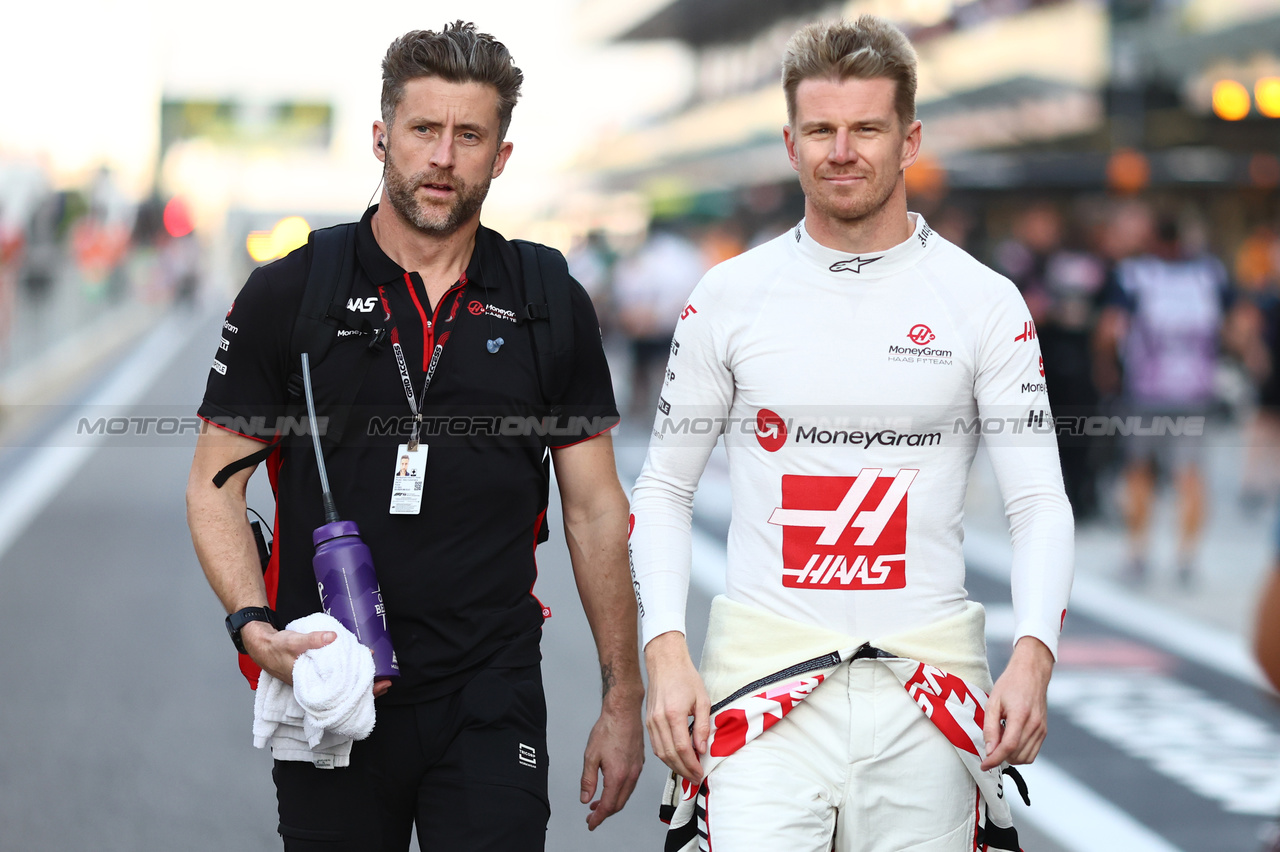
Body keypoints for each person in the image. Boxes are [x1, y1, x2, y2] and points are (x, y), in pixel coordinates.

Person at [185, 23, 643, 851]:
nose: (443, 157)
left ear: (499, 156)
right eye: (424, 130)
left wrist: (622, 696)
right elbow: (216, 483)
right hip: (333, 683)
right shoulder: (292, 293)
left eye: (469, 135)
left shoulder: (547, 298)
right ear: (381, 137)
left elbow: (594, 512)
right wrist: (254, 625)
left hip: (491, 688)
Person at [629, 16, 1073, 852]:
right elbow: (663, 488)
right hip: (762, 692)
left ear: (909, 139)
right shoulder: (727, 296)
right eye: (822, 130)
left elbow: (1040, 503)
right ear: (789, 141)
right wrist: (665, 652)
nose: (843, 150)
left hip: (928, 693)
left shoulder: (984, 302)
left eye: (866, 128)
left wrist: (1035, 653)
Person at [1094, 210, 1230, 587]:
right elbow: (1238, 325)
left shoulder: (1134, 275)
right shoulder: (1210, 274)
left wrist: (1105, 368)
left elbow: (1109, 329)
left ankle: (1138, 552)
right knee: (1191, 473)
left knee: (1139, 470)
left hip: (1146, 388)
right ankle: (1186, 557)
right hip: (1195, 388)